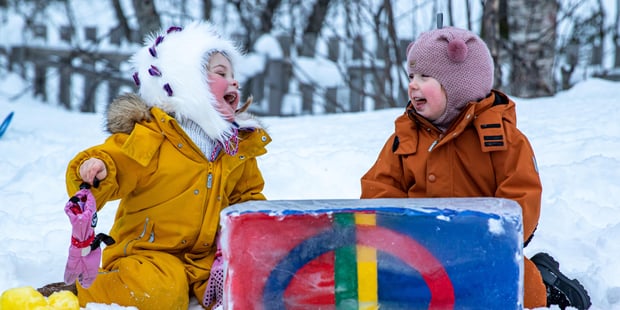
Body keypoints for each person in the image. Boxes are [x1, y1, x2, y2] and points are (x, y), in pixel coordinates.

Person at [39, 21, 271, 309]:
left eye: (234, 75)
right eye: (221, 73)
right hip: (146, 255)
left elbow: (247, 199)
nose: (234, 81)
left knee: (253, 284)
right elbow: (117, 162)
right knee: (161, 291)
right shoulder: (153, 136)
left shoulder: (236, 146)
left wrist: (256, 232)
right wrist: (98, 168)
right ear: (187, 81)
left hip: (205, 261)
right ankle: (76, 293)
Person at [360, 26, 591, 309]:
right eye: (411, 76)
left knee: (521, 293)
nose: (413, 85)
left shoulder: (502, 139)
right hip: (418, 253)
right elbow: (378, 189)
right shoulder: (403, 139)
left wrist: (495, 235)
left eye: (425, 76)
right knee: (389, 293)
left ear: (458, 85)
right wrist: (399, 232)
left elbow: (522, 193)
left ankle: (546, 282)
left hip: (484, 250)